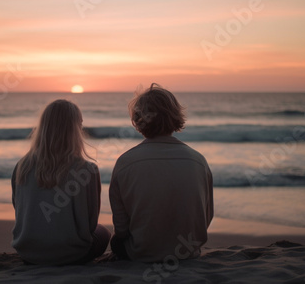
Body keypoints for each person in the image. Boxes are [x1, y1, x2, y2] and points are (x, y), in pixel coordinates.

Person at [109, 83, 213, 262]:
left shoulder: (125, 162)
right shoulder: (198, 161)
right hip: (187, 253)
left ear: (137, 119)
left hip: (141, 253)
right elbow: (206, 216)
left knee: (114, 242)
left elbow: (121, 229)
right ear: (175, 116)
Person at [11, 99, 110, 265]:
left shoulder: (22, 166)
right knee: (104, 233)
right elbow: (90, 224)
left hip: (27, 252)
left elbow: (19, 210)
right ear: (74, 129)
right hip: (71, 254)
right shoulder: (86, 170)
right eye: (80, 124)